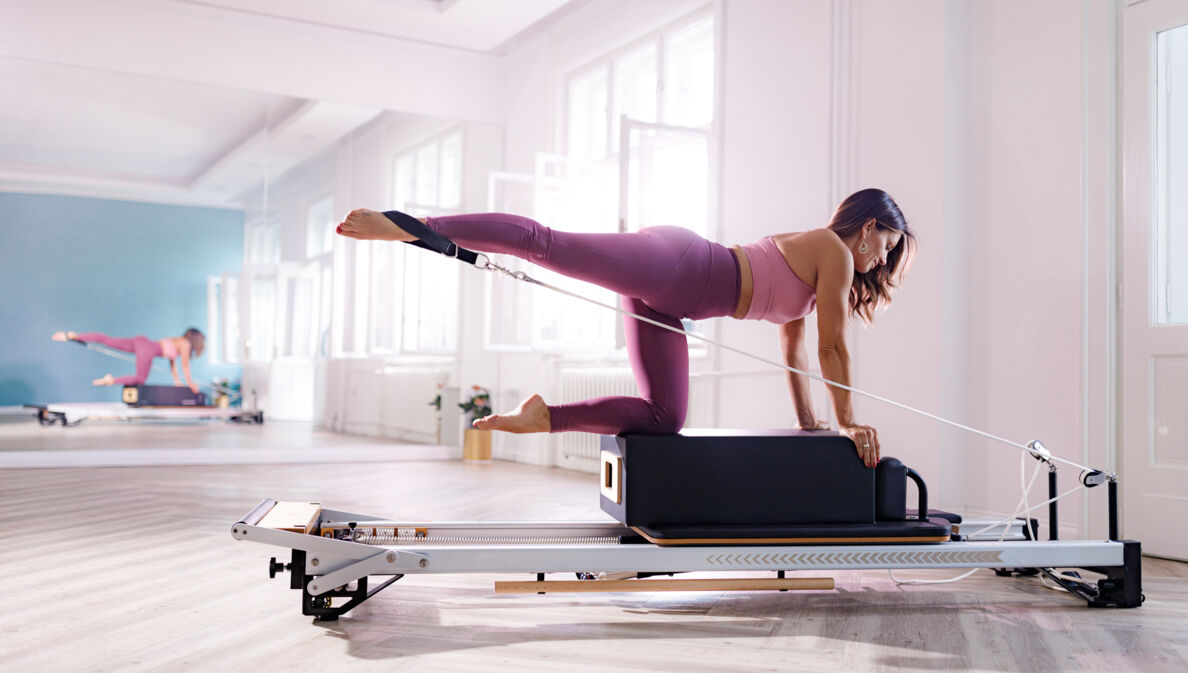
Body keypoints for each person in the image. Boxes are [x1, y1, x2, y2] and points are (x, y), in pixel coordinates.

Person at [336, 189, 915, 468]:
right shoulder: (834, 254)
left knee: (666, 419)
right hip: (677, 264)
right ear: (867, 229)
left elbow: (798, 353)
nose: (880, 263)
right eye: (885, 248)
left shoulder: (816, 282)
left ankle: (545, 417)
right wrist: (851, 421)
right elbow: (833, 346)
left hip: (670, 303)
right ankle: (413, 226)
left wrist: (812, 422)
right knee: (545, 244)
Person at [51, 328, 205, 393]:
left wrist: (177, 381)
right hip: (148, 349)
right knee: (140, 379)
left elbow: (173, 364)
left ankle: (73, 335)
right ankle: (112, 380)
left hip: (141, 342)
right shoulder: (185, 344)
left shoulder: (177, 340)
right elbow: (185, 365)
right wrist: (190, 384)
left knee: (107, 340)